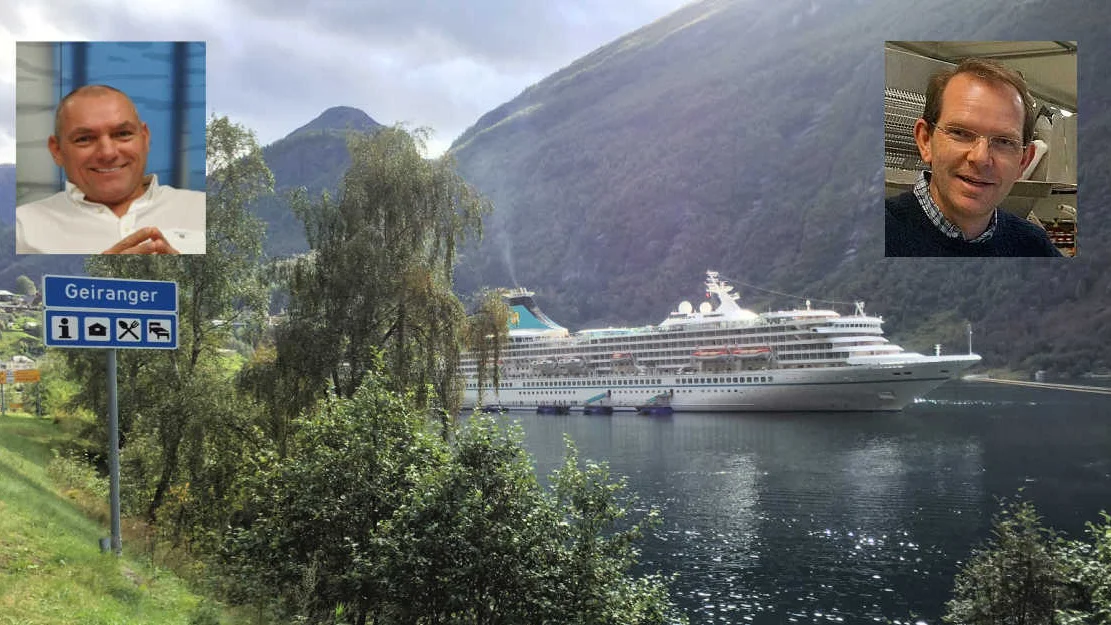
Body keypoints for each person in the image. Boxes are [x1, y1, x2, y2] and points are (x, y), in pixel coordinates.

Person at [885, 58, 1062, 257]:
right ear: (926, 140)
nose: (981, 157)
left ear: (1023, 161)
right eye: (960, 133)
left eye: (1004, 141)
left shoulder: (1034, 248)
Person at [15, 84, 205, 254]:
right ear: (57, 150)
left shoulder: (202, 209)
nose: (107, 153)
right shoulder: (23, 227)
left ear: (145, 138)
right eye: (84, 139)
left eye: (123, 134)